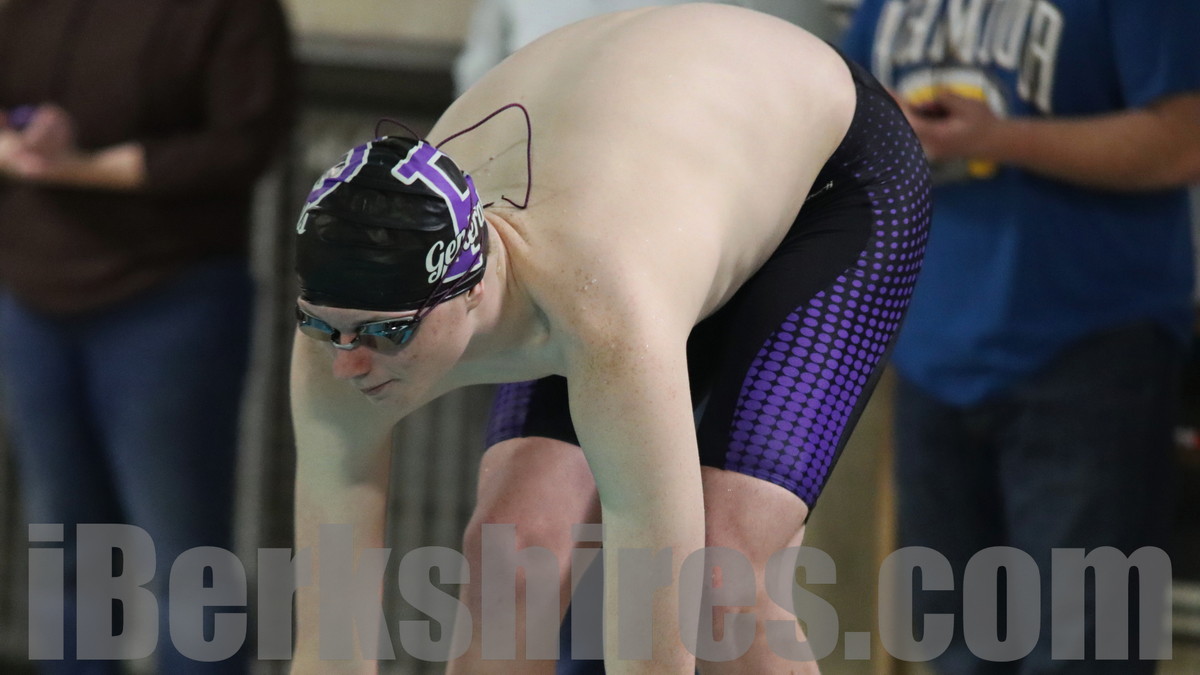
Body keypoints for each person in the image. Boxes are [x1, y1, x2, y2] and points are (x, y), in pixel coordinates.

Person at [289, 4, 929, 674]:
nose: (350, 363)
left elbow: (654, 638)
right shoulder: (339, 333)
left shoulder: (599, 307)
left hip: (831, 172)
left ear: (471, 288)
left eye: (390, 333)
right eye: (322, 326)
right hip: (651, 190)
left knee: (722, 580)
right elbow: (328, 647)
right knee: (513, 558)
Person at [842, 0, 1200, 672]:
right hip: (931, 352)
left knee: (1086, 653)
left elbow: (1184, 139)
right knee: (957, 649)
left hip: (1091, 351)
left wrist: (1000, 139)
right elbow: (842, 93)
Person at [0, 0, 294, 673]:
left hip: (171, 296)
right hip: (35, 294)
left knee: (184, 556)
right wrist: (27, 139)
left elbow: (243, 144)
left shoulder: (230, 13)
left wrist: (83, 166)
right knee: (65, 548)